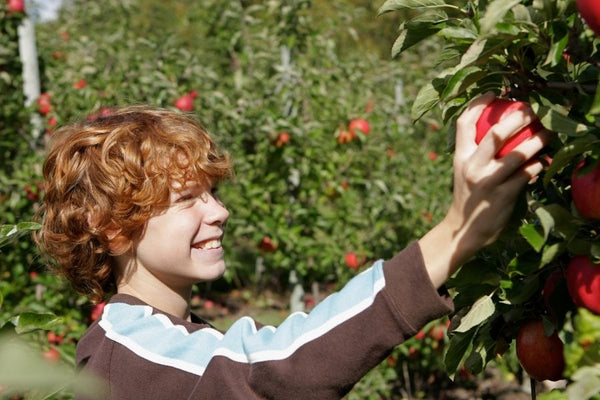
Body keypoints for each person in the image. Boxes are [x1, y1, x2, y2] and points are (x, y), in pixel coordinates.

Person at [35, 92, 550, 400]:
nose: (219, 211)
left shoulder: (169, 342)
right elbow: (274, 371)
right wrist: (456, 233)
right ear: (113, 228)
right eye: (189, 198)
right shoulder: (129, 355)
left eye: (214, 193)